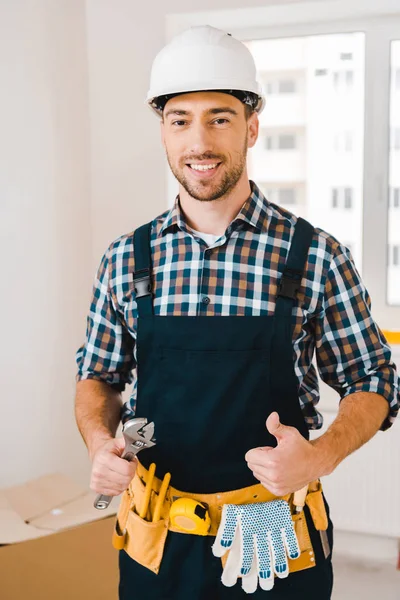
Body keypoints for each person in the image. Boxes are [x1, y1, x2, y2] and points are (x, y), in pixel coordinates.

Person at [75, 25, 399, 600]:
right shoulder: (127, 257)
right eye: (181, 120)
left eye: (219, 118)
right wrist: (101, 445)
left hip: (270, 527)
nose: (199, 140)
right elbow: (98, 377)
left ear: (252, 126)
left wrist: (318, 458)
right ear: (163, 132)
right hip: (157, 535)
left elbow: (372, 378)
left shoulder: (315, 255)